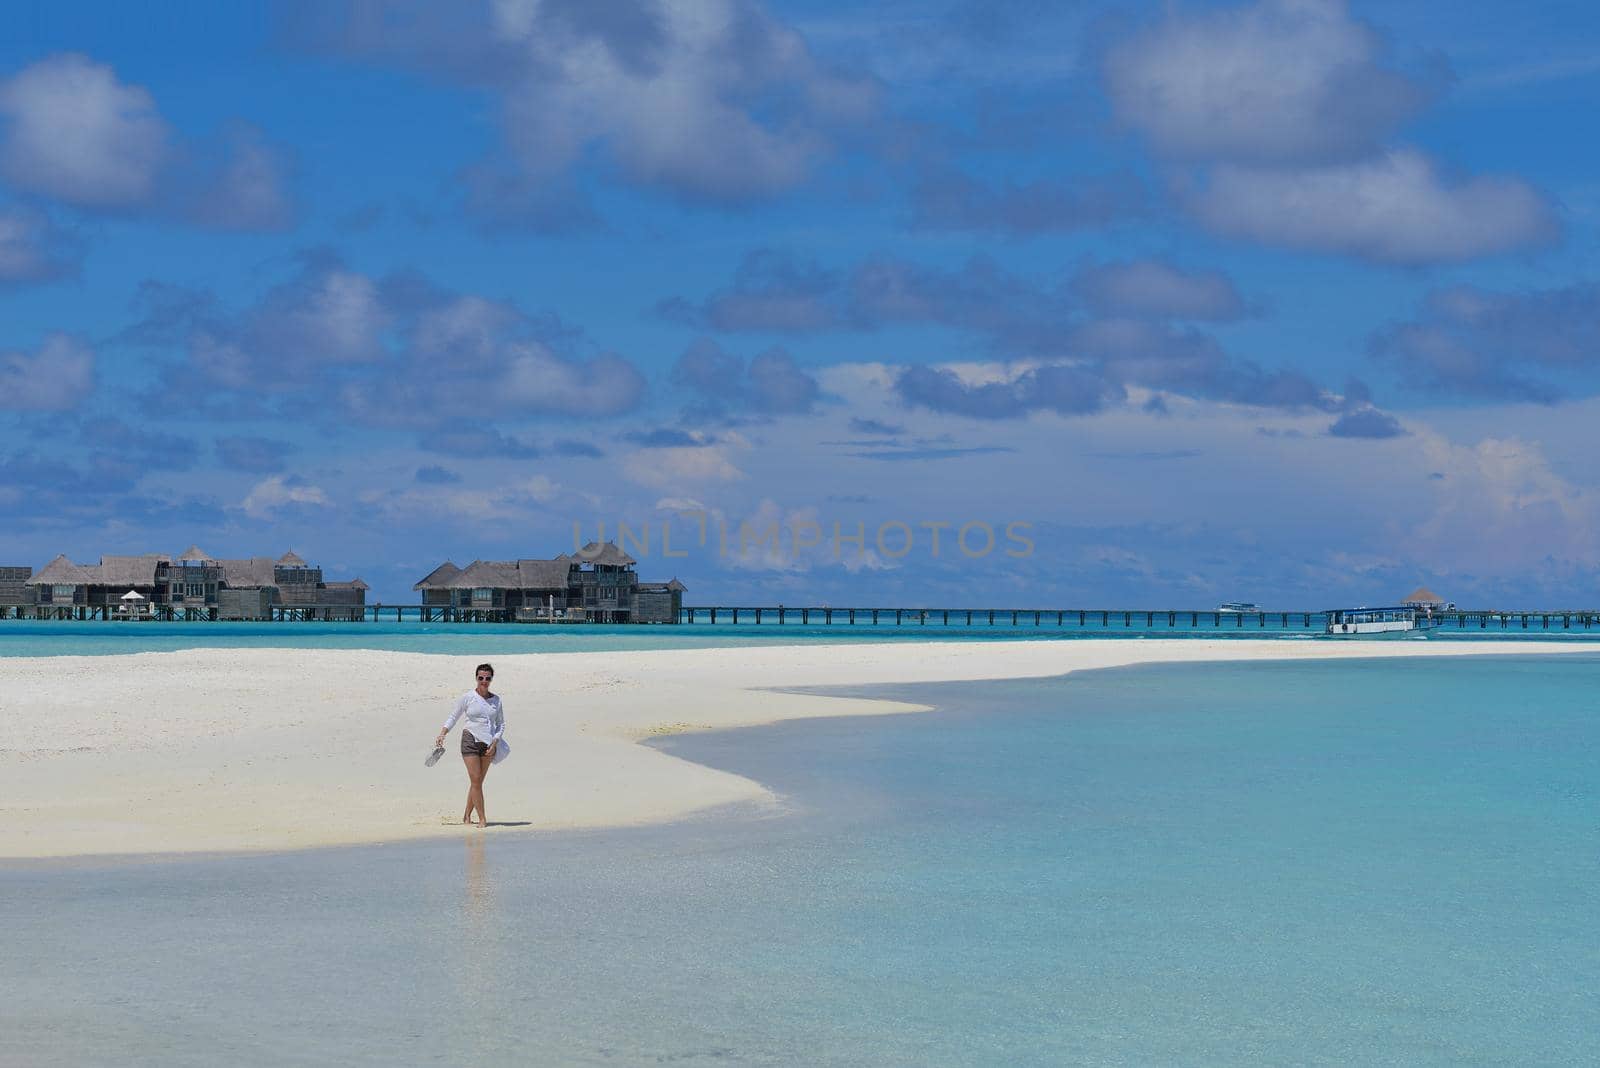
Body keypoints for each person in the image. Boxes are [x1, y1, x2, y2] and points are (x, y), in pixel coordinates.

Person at [435, 663, 508, 827]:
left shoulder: (496, 700)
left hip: (488, 743)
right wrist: (442, 733)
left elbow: (501, 724)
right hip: (470, 740)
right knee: (475, 780)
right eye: (481, 678)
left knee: (478, 782)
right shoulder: (467, 697)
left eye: (487, 678)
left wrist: (495, 741)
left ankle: (466, 816)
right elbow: (453, 717)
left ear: (491, 679)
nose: (484, 681)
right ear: (476, 678)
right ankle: (482, 818)